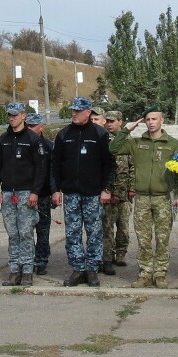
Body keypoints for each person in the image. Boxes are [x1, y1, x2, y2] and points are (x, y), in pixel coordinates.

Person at [110, 107, 178, 288]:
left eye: (154, 119)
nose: (151, 122)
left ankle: (160, 274)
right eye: (148, 119)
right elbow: (113, 149)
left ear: (162, 121)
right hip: (142, 197)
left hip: (162, 198)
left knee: (162, 238)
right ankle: (144, 273)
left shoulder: (172, 144)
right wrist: (127, 129)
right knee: (143, 239)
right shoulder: (136, 143)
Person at [50, 97, 114, 287]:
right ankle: (78, 268)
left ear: (89, 112)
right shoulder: (63, 134)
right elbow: (55, 165)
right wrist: (55, 189)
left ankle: (92, 269)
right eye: (73, 110)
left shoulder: (100, 134)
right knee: (72, 232)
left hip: (93, 193)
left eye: (78, 111)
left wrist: (106, 189)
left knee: (94, 232)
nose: (74, 113)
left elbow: (109, 165)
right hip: (70, 193)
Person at [0, 101, 49, 286]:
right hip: (8, 192)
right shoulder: (3, 139)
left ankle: (27, 270)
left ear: (24, 115)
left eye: (15, 115)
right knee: (12, 233)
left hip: (26, 192)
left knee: (25, 232)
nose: (12, 118)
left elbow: (41, 168)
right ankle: (14, 269)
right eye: (10, 114)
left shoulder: (33, 139)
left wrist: (35, 192)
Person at [101, 111, 134, 275]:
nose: (109, 124)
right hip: (108, 192)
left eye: (112, 121)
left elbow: (133, 167)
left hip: (124, 193)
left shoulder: (129, 141)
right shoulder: (104, 140)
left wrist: (132, 188)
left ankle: (121, 254)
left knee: (123, 226)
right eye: (107, 121)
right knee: (106, 227)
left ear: (120, 122)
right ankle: (107, 255)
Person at [27, 112, 54, 275]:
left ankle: (42, 260)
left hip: (43, 195)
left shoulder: (49, 146)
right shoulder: (23, 143)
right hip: (25, 193)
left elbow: (53, 171)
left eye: (32, 126)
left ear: (41, 126)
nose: (29, 129)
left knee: (43, 230)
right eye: (27, 125)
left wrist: (54, 192)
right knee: (26, 230)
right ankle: (29, 259)